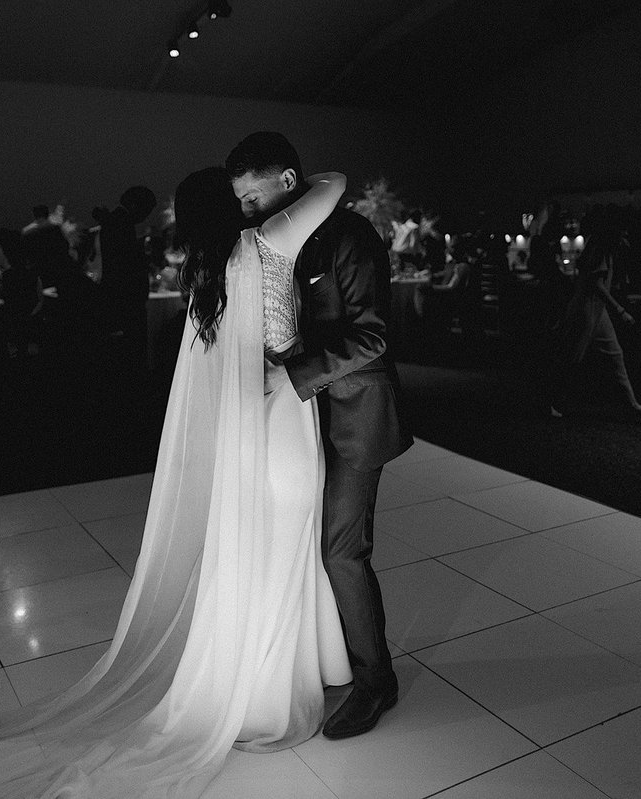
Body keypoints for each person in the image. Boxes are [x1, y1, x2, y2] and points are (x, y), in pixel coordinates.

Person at [0, 164, 353, 799]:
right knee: (287, 543)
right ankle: (272, 690)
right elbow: (334, 183)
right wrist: (284, 188)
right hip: (281, 416)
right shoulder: (266, 242)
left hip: (237, 429)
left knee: (251, 552)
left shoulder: (202, 271)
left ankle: (256, 671)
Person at [227, 131, 413, 740]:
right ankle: (328, 660)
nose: (247, 215)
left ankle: (375, 682)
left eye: (253, 200)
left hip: (354, 419)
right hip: (303, 422)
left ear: (287, 182)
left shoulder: (351, 237)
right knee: (304, 543)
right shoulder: (286, 238)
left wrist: (290, 375)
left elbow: (374, 337)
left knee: (342, 551)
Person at [551, 207, 641, 417]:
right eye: (623, 231)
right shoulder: (600, 248)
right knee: (574, 357)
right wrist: (620, 311)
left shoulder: (600, 246)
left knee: (612, 354)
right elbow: (597, 285)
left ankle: (633, 404)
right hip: (587, 309)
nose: (626, 234)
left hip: (593, 309)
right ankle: (552, 401)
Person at [95, 186, 158, 362]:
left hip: (121, 298)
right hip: (126, 300)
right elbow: (124, 265)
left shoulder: (115, 220)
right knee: (131, 351)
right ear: (134, 204)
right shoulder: (121, 223)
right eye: (145, 210)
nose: (145, 216)